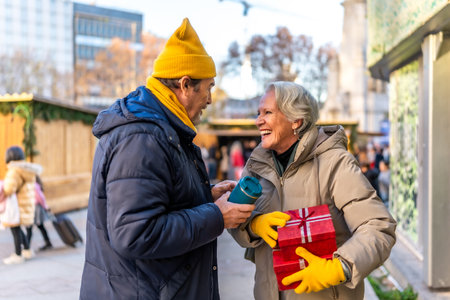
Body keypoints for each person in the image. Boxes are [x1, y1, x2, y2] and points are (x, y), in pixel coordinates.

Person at [80, 18, 255, 299]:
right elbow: (135, 233)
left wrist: (204, 198)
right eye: (208, 87)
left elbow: (157, 204)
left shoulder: (162, 129)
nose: (210, 99)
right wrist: (216, 216)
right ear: (185, 85)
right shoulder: (142, 137)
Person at [229, 82, 396, 300]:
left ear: (296, 120)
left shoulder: (335, 163)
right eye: (258, 113)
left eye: (267, 112)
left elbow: (378, 227)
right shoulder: (256, 165)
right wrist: (252, 225)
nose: (258, 121)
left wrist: (339, 268)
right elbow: (233, 220)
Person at [2, 146, 42, 264]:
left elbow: (9, 189)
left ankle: (18, 254)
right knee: (18, 228)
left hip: (17, 206)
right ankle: (27, 250)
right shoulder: (27, 169)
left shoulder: (14, 171)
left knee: (15, 229)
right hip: (26, 204)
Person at [28, 175, 53, 251]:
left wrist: (45, 207)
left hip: (35, 208)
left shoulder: (34, 185)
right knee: (40, 226)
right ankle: (48, 242)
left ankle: (26, 246)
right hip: (35, 208)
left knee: (29, 227)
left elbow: (41, 198)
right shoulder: (35, 185)